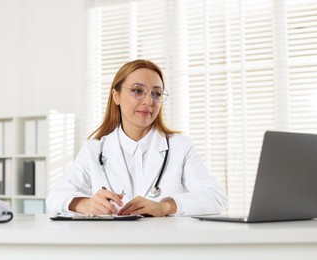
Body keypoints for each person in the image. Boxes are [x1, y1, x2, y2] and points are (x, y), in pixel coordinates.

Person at [46, 59, 227, 217]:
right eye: (137, 91)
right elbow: (54, 198)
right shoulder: (94, 150)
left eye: (156, 93)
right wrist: (85, 204)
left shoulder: (180, 146)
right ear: (116, 96)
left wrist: (165, 206)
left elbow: (216, 198)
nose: (149, 101)